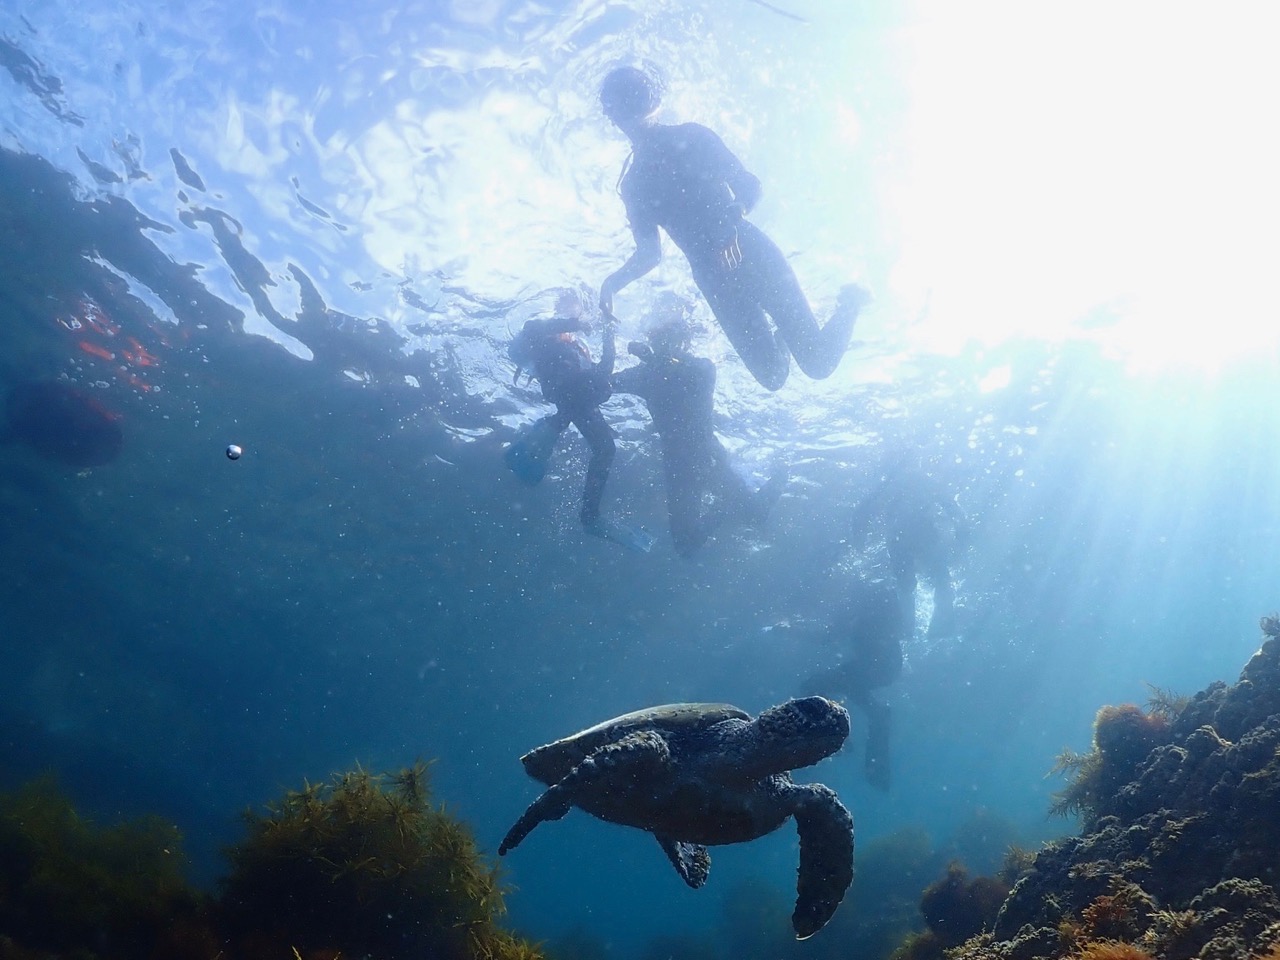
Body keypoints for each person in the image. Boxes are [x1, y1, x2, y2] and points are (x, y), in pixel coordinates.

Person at [596, 64, 871, 392]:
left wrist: (731, 218)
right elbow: (650, 254)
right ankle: (787, 331)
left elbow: (748, 185)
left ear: (646, 101)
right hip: (714, 280)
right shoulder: (633, 184)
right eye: (619, 106)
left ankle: (850, 302)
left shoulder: (690, 136)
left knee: (818, 364)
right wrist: (611, 283)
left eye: (632, 100)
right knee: (772, 377)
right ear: (613, 116)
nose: (627, 114)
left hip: (749, 250)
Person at [610, 306, 785, 556]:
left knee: (756, 516)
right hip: (677, 465)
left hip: (707, 456)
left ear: (685, 342)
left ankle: (780, 476)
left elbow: (687, 375)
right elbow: (603, 384)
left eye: (671, 340)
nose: (666, 345)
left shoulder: (701, 367)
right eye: (660, 339)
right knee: (686, 546)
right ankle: (728, 503)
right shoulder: (645, 373)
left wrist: (651, 359)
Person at [504, 293, 652, 552]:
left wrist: (608, 333)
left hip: (582, 400)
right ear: (559, 310)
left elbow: (604, 368)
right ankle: (551, 427)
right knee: (586, 400)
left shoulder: (578, 348)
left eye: (578, 311)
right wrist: (578, 324)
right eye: (570, 310)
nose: (575, 316)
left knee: (607, 450)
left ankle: (590, 516)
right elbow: (538, 329)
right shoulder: (540, 333)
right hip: (566, 390)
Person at [800, 577, 905, 790]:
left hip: (872, 666)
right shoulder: (880, 608)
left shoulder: (861, 609)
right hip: (886, 667)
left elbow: (827, 637)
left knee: (813, 686)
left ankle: (838, 738)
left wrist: (789, 629)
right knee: (847, 684)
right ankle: (873, 721)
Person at [848, 455, 968, 639]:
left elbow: (865, 509)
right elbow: (953, 508)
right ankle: (922, 627)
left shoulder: (895, 482)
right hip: (913, 536)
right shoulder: (917, 481)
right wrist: (962, 540)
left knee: (916, 582)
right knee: (930, 580)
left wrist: (859, 535)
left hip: (905, 537)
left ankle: (914, 628)